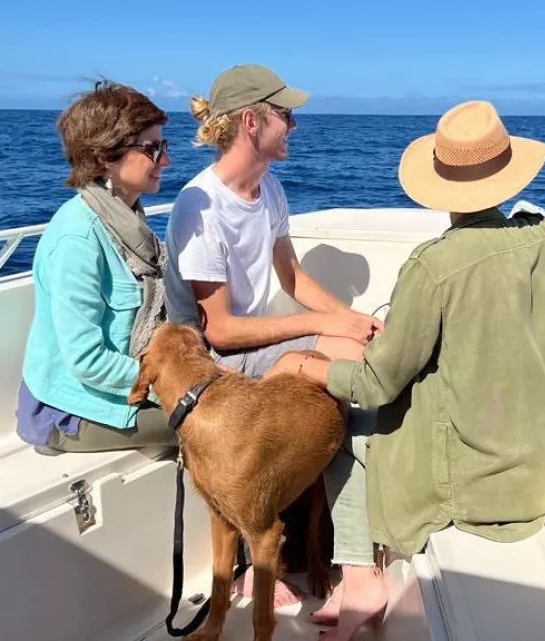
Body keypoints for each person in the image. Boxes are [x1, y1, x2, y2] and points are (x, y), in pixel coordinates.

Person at [267, 99, 545, 640]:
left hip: (469, 492)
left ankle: (360, 581)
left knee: (346, 422)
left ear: (440, 183)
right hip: (538, 480)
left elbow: (378, 383)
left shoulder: (433, 266)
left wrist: (304, 365)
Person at [162, 64, 386, 621]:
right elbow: (219, 330)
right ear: (250, 121)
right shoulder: (201, 205)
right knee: (345, 360)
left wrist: (353, 318)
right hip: (218, 363)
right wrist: (324, 331)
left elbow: (292, 278)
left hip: (253, 342)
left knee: (364, 352)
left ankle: (343, 547)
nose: (294, 125)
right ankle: (352, 565)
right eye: (285, 114)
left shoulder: (269, 188)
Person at [16, 79, 176, 454]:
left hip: (125, 390)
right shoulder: (79, 239)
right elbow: (87, 361)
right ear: (106, 156)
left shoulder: (125, 220)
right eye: (153, 148)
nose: (165, 160)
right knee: (233, 423)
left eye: (163, 146)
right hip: (73, 411)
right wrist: (177, 381)